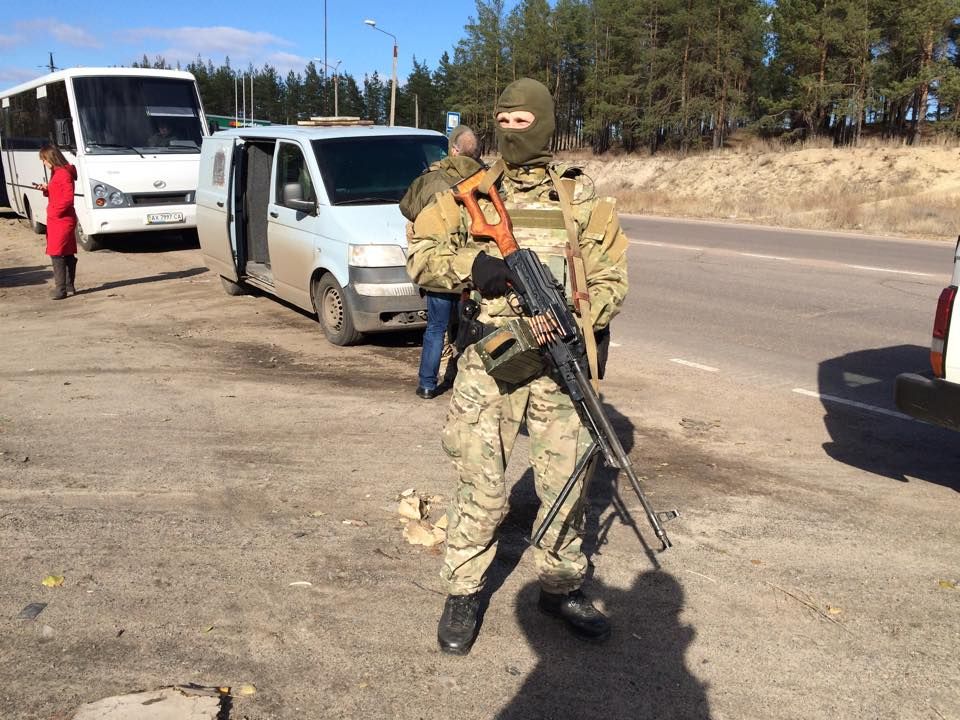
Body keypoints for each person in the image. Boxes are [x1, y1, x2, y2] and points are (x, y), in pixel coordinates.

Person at [406, 78, 629, 655]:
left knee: (566, 482)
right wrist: (474, 266)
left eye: (522, 121)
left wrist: (575, 320)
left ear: (546, 123)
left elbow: (611, 281)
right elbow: (422, 257)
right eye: (501, 120)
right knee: (479, 483)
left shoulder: (581, 198)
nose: (509, 130)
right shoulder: (467, 190)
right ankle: (463, 591)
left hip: (559, 360)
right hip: (489, 361)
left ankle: (558, 586)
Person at [400, 125, 484, 400]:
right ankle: (469, 384)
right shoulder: (486, 178)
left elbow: (407, 208)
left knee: (436, 328)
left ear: (454, 149)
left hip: (440, 263)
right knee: (474, 327)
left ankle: (427, 384)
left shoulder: (433, 178)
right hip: (475, 267)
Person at [36, 144, 79, 300]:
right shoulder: (58, 173)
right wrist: (47, 189)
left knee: (56, 253)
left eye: (44, 160)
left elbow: (67, 198)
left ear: (50, 158)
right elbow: (59, 193)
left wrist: (54, 211)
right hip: (59, 218)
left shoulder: (63, 174)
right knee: (66, 252)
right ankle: (69, 286)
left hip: (61, 219)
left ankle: (61, 289)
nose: (43, 163)